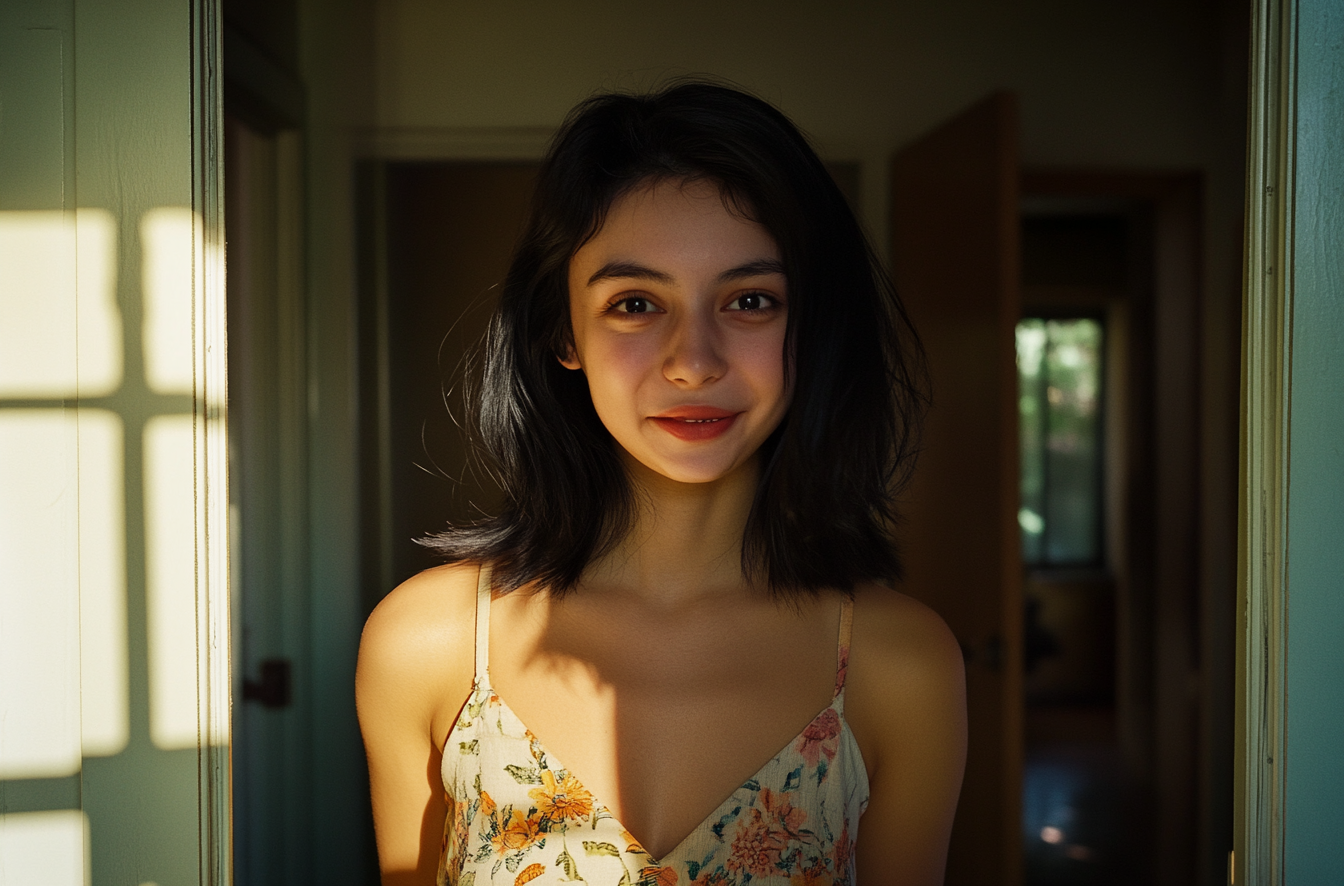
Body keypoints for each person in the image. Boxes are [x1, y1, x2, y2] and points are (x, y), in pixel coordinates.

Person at [356, 82, 966, 886]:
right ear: (561, 333)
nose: (694, 360)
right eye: (636, 303)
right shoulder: (427, 646)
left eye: (751, 300)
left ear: (811, 328)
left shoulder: (899, 665)